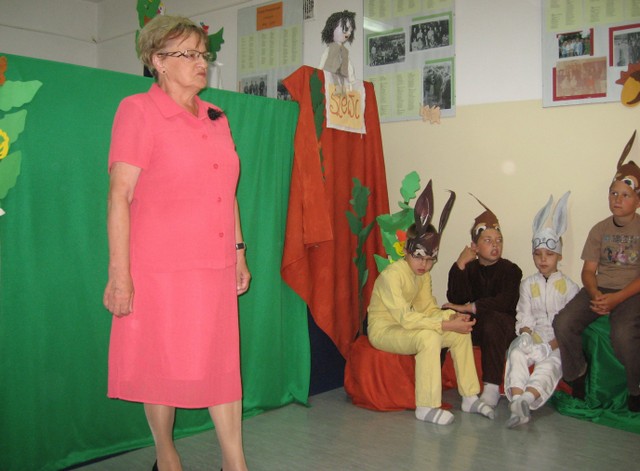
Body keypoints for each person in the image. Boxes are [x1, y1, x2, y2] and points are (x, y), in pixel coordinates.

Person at [103, 15, 250, 471]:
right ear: (158, 61)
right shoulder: (137, 111)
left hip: (215, 265)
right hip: (161, 270)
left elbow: (227, 191)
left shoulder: (216, 117)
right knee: (162, 365)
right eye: (188, 54)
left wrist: (239, 252)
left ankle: (234, 463)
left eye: (203, 54)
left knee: (222, 367)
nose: (201, 62)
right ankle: (166, 455)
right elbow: (119, 195)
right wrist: (120, 275)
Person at [367, 181, 495, 425]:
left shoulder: (422, 276)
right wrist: (444, 324)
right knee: (429, 338)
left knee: (460, 333)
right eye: (419, 258)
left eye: (429, 260)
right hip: (385, 330)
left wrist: (451, 318)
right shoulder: (392, 276)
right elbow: (405, 318)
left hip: (407, 326)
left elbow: (428, 309)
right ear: (407, 251)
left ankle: (470, 397)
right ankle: (426, 406)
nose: (424, 265)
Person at [553, 131, 640, 412]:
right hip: (601, 288)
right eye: (613, 193)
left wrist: (616, 299)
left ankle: (636, 389)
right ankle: (576, 374)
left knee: (622, 333)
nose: (617, 199)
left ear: (637, 200)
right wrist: (595, 294)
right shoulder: (599, 229)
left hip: (632, 292)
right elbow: (589, 271)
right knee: (563, 322)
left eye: (625, 195)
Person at [503, 192, 579, 428]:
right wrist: (526, 335)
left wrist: (550, 346)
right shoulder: (527, 284)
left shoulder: (570, 287)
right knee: (516, 354)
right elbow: (524, 314)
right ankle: (516, 401)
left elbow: (570, 327)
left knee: (550, 364)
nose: (543, 259)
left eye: (549, 254)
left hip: (557, 342)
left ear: (559, 256)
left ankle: (526, 400)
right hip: (534, 337)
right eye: (538, 254)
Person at [444, 196, 523, 408]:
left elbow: (504, 302)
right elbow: (456, 298)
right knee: (445, 316)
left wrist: (469, 307)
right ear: (475, 246)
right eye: (488, 240)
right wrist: (460, 264)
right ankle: (432, 381)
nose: (495, 245)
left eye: (499, 240)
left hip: (502, 327)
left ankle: (491, 388)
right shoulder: (469, 268)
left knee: (492, 321)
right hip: (477, 324)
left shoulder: (511, 270)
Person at [318, 10, 356, 84]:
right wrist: (319, 74)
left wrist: (352, 80)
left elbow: (349, 66)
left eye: (350, 31)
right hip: (330, 77)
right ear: (332, 28)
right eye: (346, 29)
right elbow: (322, 62)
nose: (349, 33)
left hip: (342, 79)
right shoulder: (330, 48)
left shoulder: (345, 51)